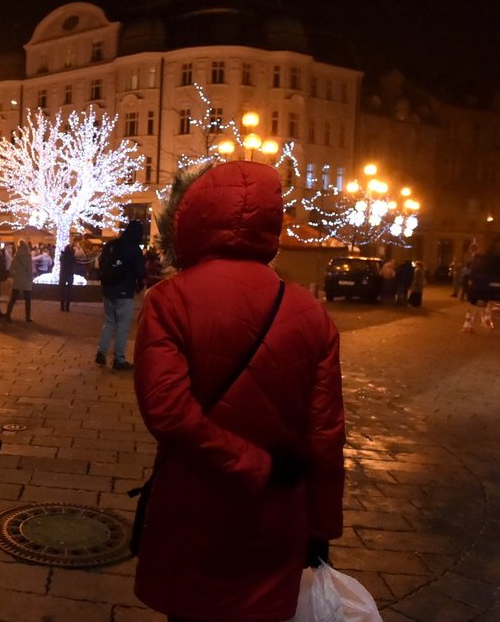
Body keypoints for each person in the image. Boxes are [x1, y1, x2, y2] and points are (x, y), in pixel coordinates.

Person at [133, 161, 345, 622]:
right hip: (276, 517)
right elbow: (327, 434)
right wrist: (322, 523)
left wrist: (254, 466)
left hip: (195, 506)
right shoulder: (309, 312)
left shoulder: (170, 300)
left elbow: (168, 412)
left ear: (189, 218)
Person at [95, 220, 146, 370]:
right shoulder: (134, 249)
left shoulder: (112, 245)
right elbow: (140, 271)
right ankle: (119, 358)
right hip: (124, 290)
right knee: (122, 325)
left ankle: (101, 351)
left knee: (110, 322)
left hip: (108, 288)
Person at [6, 240, 34, 322]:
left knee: (13, 299)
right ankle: (27, 317)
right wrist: (30, 278)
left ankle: (8, 315)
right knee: (27, 300)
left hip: (17, 280)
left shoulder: (16, 257)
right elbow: (30, 270)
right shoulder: (28, 256)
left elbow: (11, 270)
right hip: (26, 281)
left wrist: (15, 275)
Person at [58, 241, 76, 311]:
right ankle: (67, 307)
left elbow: (61, 260)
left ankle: (62, 306)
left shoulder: (63, 256)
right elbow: (75, 262)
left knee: (62, 291)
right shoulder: (72, 256)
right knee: (69, 291)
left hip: (63, 274)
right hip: (70, 274)